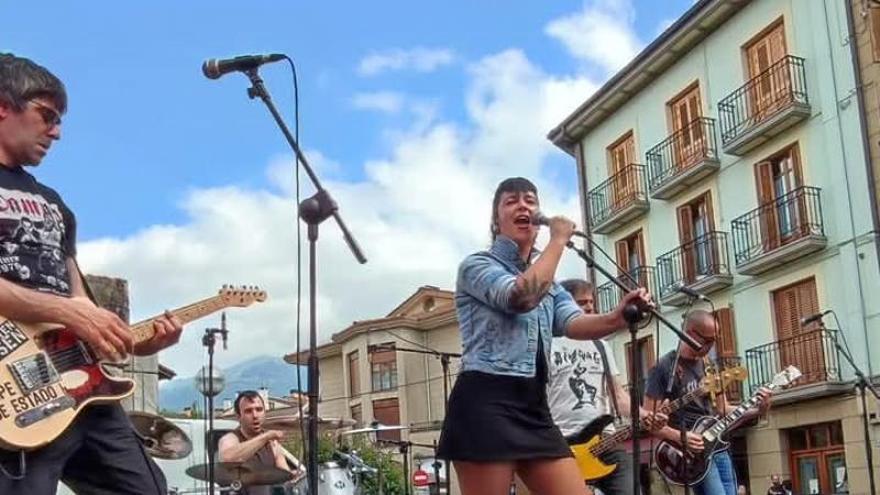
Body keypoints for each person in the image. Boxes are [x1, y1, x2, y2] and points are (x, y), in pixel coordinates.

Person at [0, 53, 184, 494]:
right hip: (11, 389)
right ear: (3, 106)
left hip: (78, 390)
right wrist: (68, 311)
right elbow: (69, 309)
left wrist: (131, 338)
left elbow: (78, 301)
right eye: (46, 116)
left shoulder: (54, 202)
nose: (57, 132)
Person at [436, 177, 653, 495]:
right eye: (511, 201)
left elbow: (575, 323)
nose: (523, 205)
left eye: (530, 200)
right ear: (496, 220)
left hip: (534, 406)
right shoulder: (477, 266)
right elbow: (520, 298)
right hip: (486, 401)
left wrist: (617, 316)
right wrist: (558, 241)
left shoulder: (550, 284)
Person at [548, 279, 667, 495]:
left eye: (591, 302)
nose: (590, 307)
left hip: (606, 439)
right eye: (582, 302)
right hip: (563, 445)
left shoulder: (600, 345)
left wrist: (644, 414)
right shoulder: (547, 344)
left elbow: (618, 396)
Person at [644, 310, 770, 495]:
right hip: (691, 453)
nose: (712, 346)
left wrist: (758, 408)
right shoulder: (663, 367)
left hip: (717, 445)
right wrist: (680, 436)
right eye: (708, 340)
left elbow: (722, 409)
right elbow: (648, 421)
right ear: (690, 334)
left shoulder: (710, 366)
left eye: (714, 340)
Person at [218, 391, 302, 495]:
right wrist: (265, 436)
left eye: (259, 409)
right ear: (239, 416)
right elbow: (227, 459)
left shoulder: (272, 443)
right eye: (248, 411)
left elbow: (285, 476)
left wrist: (293, 476)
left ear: (264, 413)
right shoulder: (231, 438)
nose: (255, 415)